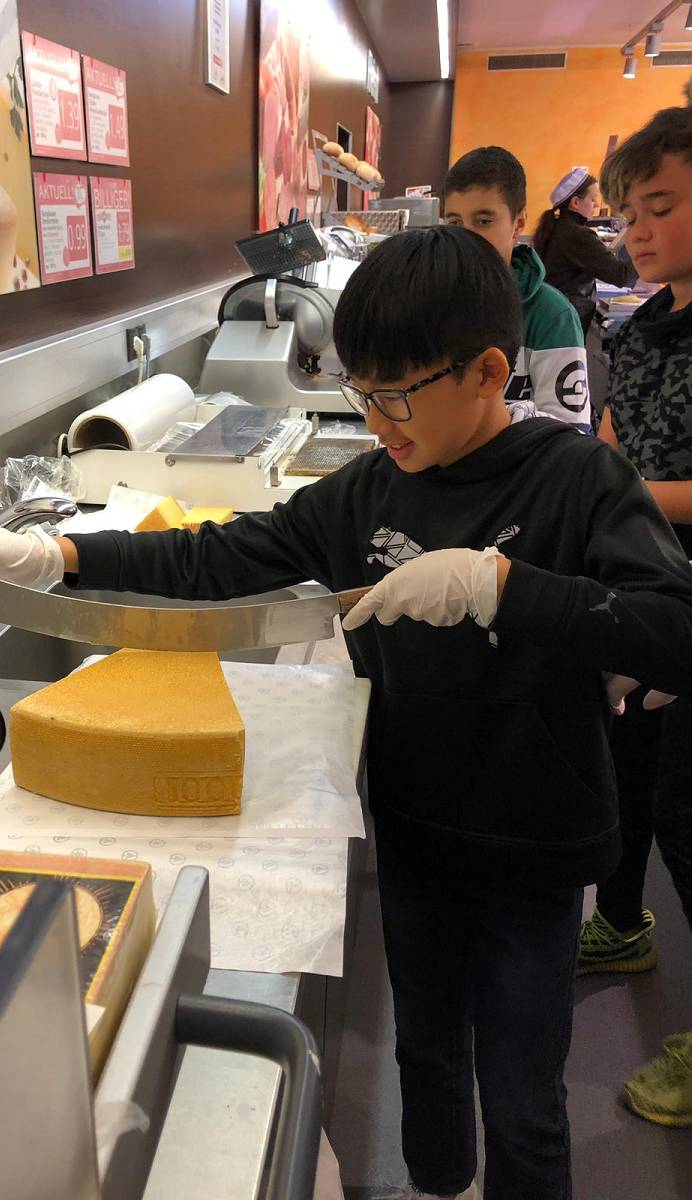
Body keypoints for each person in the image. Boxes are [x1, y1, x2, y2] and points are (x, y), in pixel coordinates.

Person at [0, 226, 692, 1199]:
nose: (376, 421)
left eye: (396, 395)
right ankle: (439, 1184)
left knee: (523, 1094)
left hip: (535, 849)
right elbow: (216, 557)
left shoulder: (577, 480)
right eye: (360, 393)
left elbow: (673, 628)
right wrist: (58, 556)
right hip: (416, 834)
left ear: (489, 372)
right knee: (426, 1051)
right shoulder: (369, 490)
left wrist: (503, 586)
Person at [578, 103, 692, 1129]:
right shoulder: (645, 325)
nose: (637, 231)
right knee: (630, 764)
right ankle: (620, 922)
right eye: (627, 213)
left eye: (661, 206)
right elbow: (615, 433)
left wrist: (630, 500)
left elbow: (637, 478)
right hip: (649, 589)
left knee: (688, 810)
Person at [444, 146, 592, 431]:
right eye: (455, 222)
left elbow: (569, 433)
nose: (466, 236)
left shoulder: (552, 315)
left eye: (484, 221)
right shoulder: (433, 301)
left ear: (518, 224)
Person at [535, 168, 637, 335]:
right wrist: (645, 251)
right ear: (575, 202)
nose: (596, 205)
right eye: (593, 199)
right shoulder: (577, 235)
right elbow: (622, 276)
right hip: (567, 320)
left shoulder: (558, 227)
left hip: (556, 316)